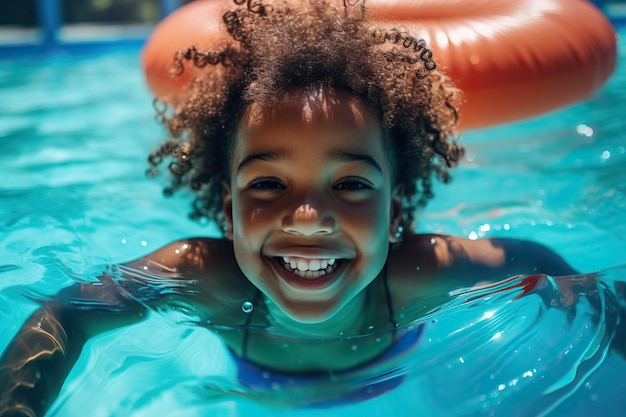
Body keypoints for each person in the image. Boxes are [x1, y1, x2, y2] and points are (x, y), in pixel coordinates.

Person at [0, 0, 578, 415]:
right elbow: (68, 312)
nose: (308, 216)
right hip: (253, 392)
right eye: (268, 185)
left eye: (350, 184)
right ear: (228, 211)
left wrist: (581, 292)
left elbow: (535, 260)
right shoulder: (204, 279)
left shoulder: (419, 275)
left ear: (397, 213)